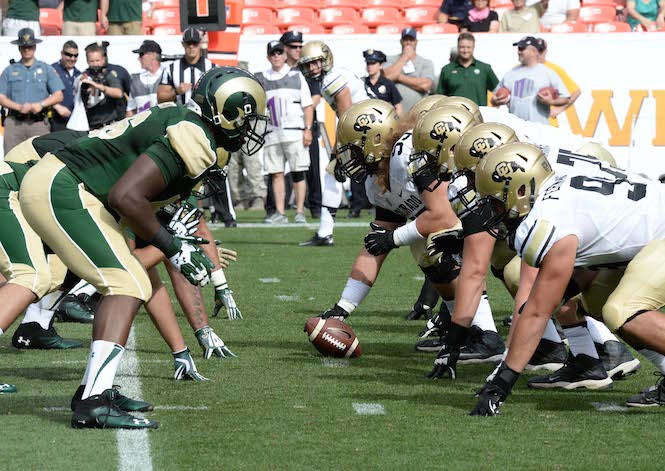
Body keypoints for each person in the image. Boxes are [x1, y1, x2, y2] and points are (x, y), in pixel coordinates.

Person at [19, 66, 268, 429]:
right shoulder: (194, 137)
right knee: (125, 284)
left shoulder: (185, 122)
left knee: (130, 279)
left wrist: (174, 247)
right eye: (247, 119)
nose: (249, 128)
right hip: (66, 187)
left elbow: (130, 208)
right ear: (229, 112)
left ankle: (94, 389)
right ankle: (93, 402)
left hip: (67, 187)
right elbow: (126, 196)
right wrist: (174, 248)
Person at [470, 143, 665, 416]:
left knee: (621, 310)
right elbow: (593, 262)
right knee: (597, 299)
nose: (493, 211)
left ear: (521, 190)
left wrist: (500, 386)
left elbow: (537, 312)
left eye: (495, 201)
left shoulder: (545, 219)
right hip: (654, 234)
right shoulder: (559, 188)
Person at [297, 40, 373, 247]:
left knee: (338, 172)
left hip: (370, 128)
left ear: (326, 59)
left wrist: (338, 151)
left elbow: (347, 117)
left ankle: (325, 233)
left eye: (316, 62)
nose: (312, 68)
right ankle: (324, 232)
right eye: (308, 64)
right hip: (366, 126)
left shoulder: (332, 79)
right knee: (333, 173)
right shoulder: (330, 78)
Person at [256, 40, 314, 224]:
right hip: (272, 132)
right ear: (268, 56)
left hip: (294, 131)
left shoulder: (297, 76)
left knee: (298, 172)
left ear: (284, 55)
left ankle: (299, 212)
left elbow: (308, 105)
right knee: (276, 173)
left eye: (279, 53)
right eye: (273, 53)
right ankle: (280, 213)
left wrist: (308, 128)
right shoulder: (261, 78)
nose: (276, 57)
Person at [0, 29, 64, 155]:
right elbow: (1, 96)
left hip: (39, 124)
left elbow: (58, 95)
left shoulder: (46, 68)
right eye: (23, 47)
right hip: (14, 124)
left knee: (40, 161)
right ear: (19, 48)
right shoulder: (9, 70)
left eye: (30, 46)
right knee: (11, 162)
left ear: (35, 47)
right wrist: (18, 107)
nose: (27, 50)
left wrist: (41, 104)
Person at [281, 30, 322, 219]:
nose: (298, 50)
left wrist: (298, 111)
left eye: (300, 46)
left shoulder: (306, 69)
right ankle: (274, 209)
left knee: (312, 168)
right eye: (293, 47)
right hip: (282, 126)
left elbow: (316, 96)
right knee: (277, 169)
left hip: (306, 124)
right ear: (284, 47)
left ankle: (315, 207)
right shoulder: (277, 70)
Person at [490, 37, 569, 125]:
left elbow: (565, 98)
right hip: (516, 127)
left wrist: (551, 102)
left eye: (522, 48)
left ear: (533, 51)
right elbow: (494, 99)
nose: (519, 52)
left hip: (540, 128)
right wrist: (496, 100)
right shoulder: (511, 73)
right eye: (518, 49)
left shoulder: (547, 72)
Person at [436, 33, 499, 106]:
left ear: (473, 47)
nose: (465, 50)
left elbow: (498, 91)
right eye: (462, 47)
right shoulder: (447, 69)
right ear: (458, 47)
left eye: (468, 47)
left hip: (479, 114)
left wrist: (496, 102)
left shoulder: (485, 68)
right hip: (454, 114)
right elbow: (440, 97)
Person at [383, 28, 436, 113]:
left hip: (418, 112)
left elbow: (425, 85)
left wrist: (399, 77)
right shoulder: (391, 59)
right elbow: (386, 77)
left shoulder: (426, 62)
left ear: (416, 42)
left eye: (411, 40)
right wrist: (405, 56)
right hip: (393, 112)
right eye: (405, 40)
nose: (408, 43)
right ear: (401, 41)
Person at [158, 28, 215, 106]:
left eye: (195, 43)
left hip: (204, 116)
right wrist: (176, 92)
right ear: (183, 44)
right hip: (180, 115)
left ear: (200, 43)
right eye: (188, 43)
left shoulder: (212, 68)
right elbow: (160, 98)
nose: (191, 46)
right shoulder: (170, 69)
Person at [78, 43, 125, 130]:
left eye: (97, 60)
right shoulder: (84, 76)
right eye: (92, 61)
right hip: (92, 125)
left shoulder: (108, 74)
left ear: (103, 59)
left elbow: (119, 93)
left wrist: (99, 86)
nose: (95, 64)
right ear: (87, 61)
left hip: (111, 124)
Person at [536, 38, 581, 127]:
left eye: (541, 50)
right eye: (535, 50)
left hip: (548, 123)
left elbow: (576, 91)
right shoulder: (521, 69)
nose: (538, 54)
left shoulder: (554, 69)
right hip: (527, 122)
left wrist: (559, 109)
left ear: (545, 51)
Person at [126, 40, 165, 116]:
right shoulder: (135, 80)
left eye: (141, 54)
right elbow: (130, 110)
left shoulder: (168, 75)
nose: (139, 59)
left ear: (153, 55)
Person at [51, 40, 82, 131]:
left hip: (75, 121)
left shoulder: (79, 74)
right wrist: (56, 106)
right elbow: (41, 93)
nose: (72, 59)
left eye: (75, 56)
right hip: (56, 120)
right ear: (62, 53)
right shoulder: (51, 70)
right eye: (69, 55)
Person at [363, 49, 403, 115]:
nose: (370, 66)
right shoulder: (362, 83)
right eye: (368, 63)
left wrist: (397, 123)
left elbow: (398, 106)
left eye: (373, 63)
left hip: (384, 121)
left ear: (380, 65)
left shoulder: (388, 83)